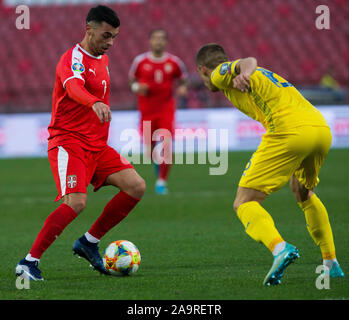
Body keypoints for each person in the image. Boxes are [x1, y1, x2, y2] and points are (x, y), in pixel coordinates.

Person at [195, 43, 344, 286]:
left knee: (244, 202)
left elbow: (247, 60)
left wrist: (244, 72)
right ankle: (330, 262)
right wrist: (245, 73)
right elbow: (249, 64)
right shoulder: (264, 75)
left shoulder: (219, 73)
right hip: (320, 129)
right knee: (303, 192)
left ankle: (280, 249)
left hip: (289, 132)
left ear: (202, 70)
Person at [15, 5, 146, 281]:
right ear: (88, 29)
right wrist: (93, 101)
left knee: (135, 186)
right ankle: (28, 262)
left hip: (97, 146)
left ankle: (88, 241)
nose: (110, 43)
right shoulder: (71, 58)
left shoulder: (103, 59)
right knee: (76, 202)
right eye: (105, 36)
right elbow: (74, 87)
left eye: (114, 37)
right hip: (69, 142)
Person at [129, 29, 188, 195]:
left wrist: (182, 88)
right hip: (146, 110)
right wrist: (136, 87)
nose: (158, 42)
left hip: (166, 109)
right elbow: (131, 82)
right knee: (151, 148)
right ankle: (159, 170)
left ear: (166, 42)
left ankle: (161, 182)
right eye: (155, 38)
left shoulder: (174, 62)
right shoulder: (140, 61)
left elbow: (183, 79)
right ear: (150, 41)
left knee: (166, 144)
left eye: (162, 39)